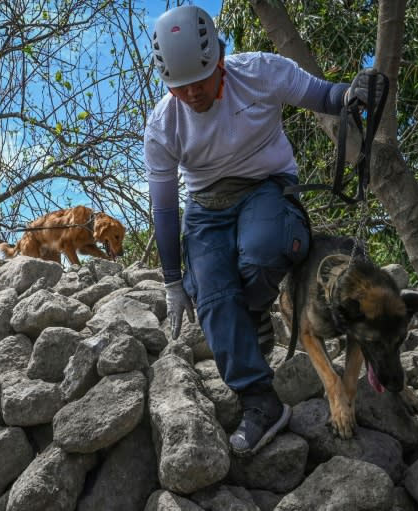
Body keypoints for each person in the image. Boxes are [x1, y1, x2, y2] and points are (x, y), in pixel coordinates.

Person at [145, 5, 385, 456]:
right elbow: (164, 211)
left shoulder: (258, 72)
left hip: (267, 188)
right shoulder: (163, 124)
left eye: (201, 81)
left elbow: (326, 96)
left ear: (220, 61)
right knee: (213, 299)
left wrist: (355, 90)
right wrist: (174, 282)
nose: (193, 94)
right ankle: (261, 403)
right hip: (206, 206)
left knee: (259, 254)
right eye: (181, 88)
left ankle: (252, 310)